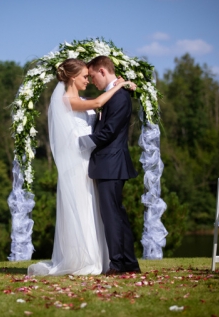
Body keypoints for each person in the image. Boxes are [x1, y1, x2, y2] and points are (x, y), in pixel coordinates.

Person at [27, 58, 134, 276]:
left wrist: (118, 87)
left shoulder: (82, 98)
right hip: (78, 161)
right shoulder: (66, 99)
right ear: (73, 77)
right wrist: (118, 86)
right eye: (85, 76)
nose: (88, 80)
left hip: (93, 161)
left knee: (96, 210)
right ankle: (82, 258)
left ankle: (103, 258)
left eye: (90, 75)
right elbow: (97, 104)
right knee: (84, 209)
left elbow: (97, 105)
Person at [80, 55, 141, 275]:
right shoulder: (113, 95)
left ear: (103, 71)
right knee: (117, 214)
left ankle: (117, 265)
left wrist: (80, 144)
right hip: (110, 164)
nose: (92, 81)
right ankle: (129, 263)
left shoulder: (119, 97)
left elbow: (108, 132)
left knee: (112, 216)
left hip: (111, 164)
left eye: (93, 75)